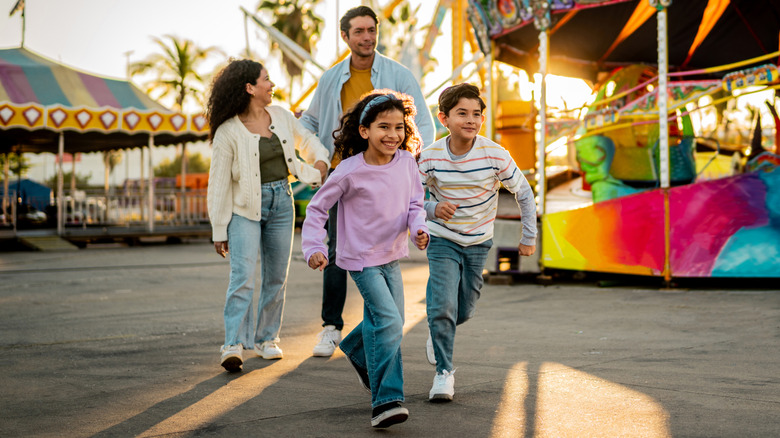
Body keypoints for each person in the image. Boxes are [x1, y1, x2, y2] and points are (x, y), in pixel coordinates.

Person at [299, 5, 435, 357]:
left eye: (371, 30)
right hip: (342, 173)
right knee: (335, 250)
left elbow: (424, 122)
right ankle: (331, 326)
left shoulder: (398, 73)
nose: (366, 37)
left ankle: (369, 334)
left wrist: (415, 166)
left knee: (382, 255)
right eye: (358, 31)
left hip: (385, 173)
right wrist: (315, 157)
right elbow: (310, 122)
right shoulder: (330, 78)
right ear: (345, 36)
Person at [301, 90, 429, 428]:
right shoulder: (348, 171)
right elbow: (316, 210)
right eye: (383, 127)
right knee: (387, 322)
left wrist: (419, 228)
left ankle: (357, 349)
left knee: (393, 321)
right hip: (359, 259)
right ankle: (386, 400)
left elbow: (416, 204)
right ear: (364, 131)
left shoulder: (405, 163)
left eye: (400, 127)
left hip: (391, 255)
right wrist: (313, 247)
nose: (393, 135)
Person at [206, 59, 330, 372]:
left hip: (282, 203)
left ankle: (266, 339)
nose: (271, 85)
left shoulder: (282, 116)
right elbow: (218, 185)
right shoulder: (228, 131)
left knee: (276, 277)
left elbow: (307, 139)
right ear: (249, 87)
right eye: (266, 80)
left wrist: (320, 161)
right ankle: (233, 343)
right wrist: (219, 229)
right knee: (243, 279)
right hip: (244, 209)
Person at [418, 83, 537, 401]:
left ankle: (437, 326)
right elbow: (411, 197)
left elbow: (523, 192)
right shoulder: (430, 157)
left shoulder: (495, 155)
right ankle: (444, 373)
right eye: (462, 113)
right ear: (444, 118)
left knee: (465, 309)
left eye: (477, 114)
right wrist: (431, 209)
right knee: (443, 306)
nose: (471, 120)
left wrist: (528, 236)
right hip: (442, 238)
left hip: (479, 241)